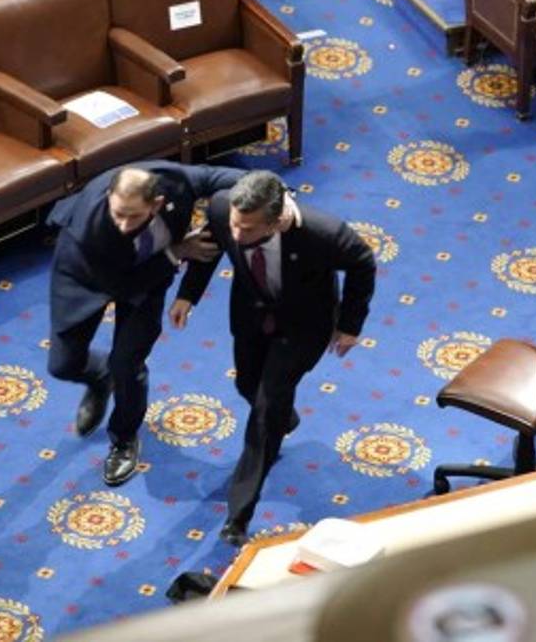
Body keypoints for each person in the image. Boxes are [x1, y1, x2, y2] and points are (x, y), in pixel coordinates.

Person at [170, 171, 376, 547]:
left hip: (303, 328)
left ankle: (238, 515)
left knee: (264, 411)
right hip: (250, 315)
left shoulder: (323, 233)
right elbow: (210, 247)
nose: (237, 234)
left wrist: (350, 324)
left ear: (277, 220)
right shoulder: (222, 209)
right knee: (246, 383)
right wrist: (188, 293)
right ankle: (285, 417)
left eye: (247, 229)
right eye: (235, 223)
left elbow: (363, 262)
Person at [46, 161, 245, 486]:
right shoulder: (92, 228)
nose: (124, 224)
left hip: (148, 280)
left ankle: (123, 439)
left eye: (134, 216)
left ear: (156, 204)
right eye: (118, 213)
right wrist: (175, 253)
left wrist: (275, 195)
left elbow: (220, 178)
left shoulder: (175, 183)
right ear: (109, 197)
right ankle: (99, 377)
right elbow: (122, 285)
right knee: (62, 365)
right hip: (86, 277)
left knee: (128, 363)